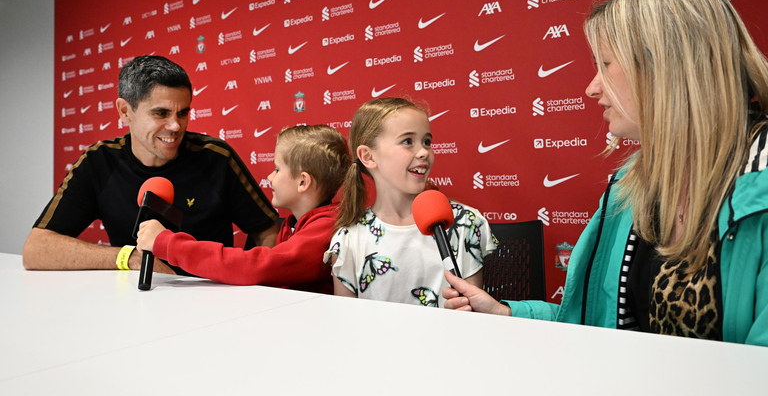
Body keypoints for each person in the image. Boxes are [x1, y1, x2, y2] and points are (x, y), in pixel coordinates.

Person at [443, 0, 768, 346]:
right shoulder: (631, 187)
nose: (591, 87)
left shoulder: (757, 191)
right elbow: (596, 325)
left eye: (605, 65)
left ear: (664, 66)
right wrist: (507, 313)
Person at [23, 55, 278, 273]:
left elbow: (269, 232)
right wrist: (130, 258)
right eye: (161, 113)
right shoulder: (98, 162)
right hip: (135, 305)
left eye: (183, 112)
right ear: (125, 111)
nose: (175, 126)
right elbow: (37, 248)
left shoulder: (216, 158)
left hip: (211, 304)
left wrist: (246, 283)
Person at [136, 125, 351, 292]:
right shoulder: (295, 225)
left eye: (277, 169)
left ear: (303, 182)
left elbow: (258, 267)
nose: (270, 177)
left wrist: (166, 243)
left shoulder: (325, 229)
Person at [325, 97, 497, 307]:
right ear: (368, 156)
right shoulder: (348, 241)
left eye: (427, 141)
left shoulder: (465, 223)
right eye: (407, 141)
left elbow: (474, 312)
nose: (424, 151)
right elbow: (348, 323)